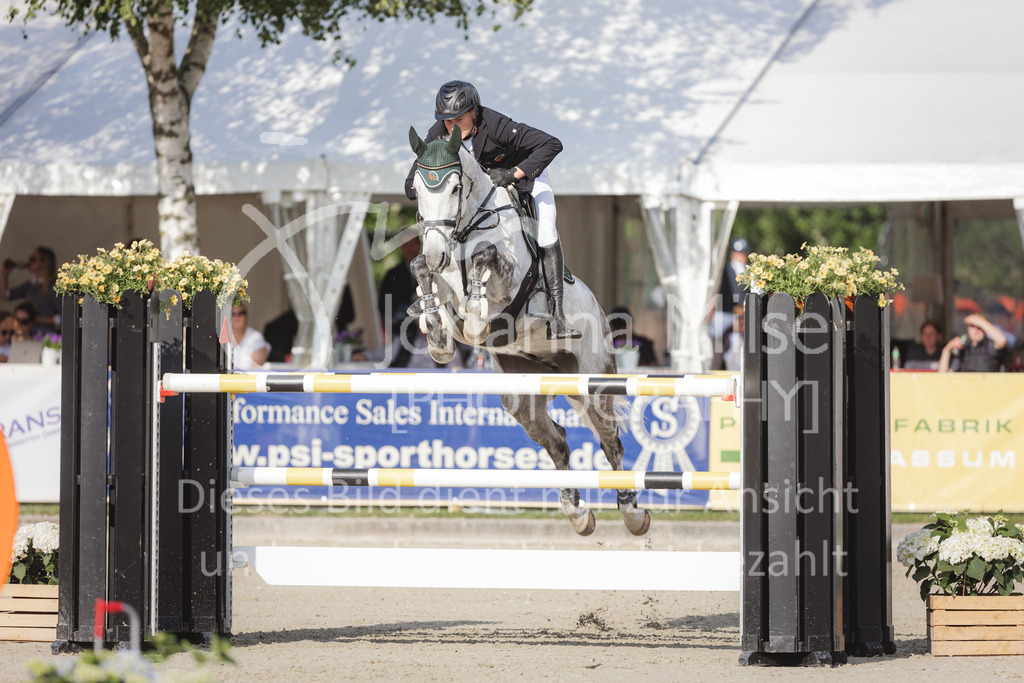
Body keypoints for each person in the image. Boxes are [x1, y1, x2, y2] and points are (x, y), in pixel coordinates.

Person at [405, 80, 580, 340]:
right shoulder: (437, 134)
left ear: (475, 112)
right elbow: (410, 186)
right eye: (447, 121)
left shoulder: (496, 125)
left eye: (459, 119)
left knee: (545, 231)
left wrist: (513, 173)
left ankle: (557, 314)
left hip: (525, 177)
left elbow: (552, 144)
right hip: (484, 192)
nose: (452, 127)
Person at [2, 246, 61, 332]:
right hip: (29, 336)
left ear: (44, 263)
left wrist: (37, 319)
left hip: (47, 338)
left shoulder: (54, 287)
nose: (29, 262)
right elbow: (5, 295)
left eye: (32, 259)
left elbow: (64, 316)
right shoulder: (29, 285)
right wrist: (4, 275)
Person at [712, 238, 750, 368]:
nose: (741, 256)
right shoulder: (724, 271)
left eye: (743, 253)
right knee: (713, 333)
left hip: (744, 314)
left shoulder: (749, 271)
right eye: (738, 253)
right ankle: (714, 363)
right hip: (726, 312)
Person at [939, 313, 1006, 373]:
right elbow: (943, 377)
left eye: (979, 327)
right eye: (972, 326)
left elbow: (1002, 341)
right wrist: (947, 349)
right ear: (968, 328)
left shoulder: (990, 346)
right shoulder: (963, 349)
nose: (976, 330)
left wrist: (980, 322)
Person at [231, 304, 271, 371]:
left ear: (246, 316)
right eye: (232, 313)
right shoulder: (220, 337)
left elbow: (255, 367)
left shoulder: (256, 337)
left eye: (241, 313)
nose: (237, 317)